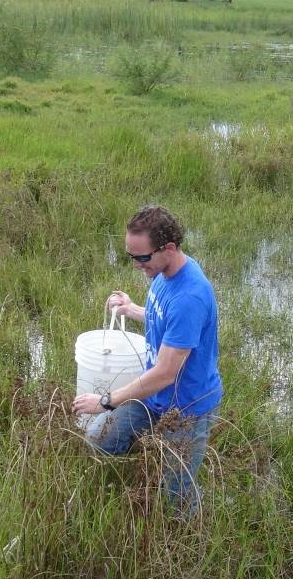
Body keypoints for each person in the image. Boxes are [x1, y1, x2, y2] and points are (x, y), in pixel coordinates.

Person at [71, 206, 223, 515]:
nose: (138, 266)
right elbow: (164, 319)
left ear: (169, 247)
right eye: (131, 257)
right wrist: (134, 309)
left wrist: (107, 400)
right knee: (98, 441)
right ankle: (137, 474)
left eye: (142, 258)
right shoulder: (165, 272)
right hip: (153, 399)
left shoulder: (190, 296)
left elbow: (166, 372)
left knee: (176, 496)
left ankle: (186, 539)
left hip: (186, 408)